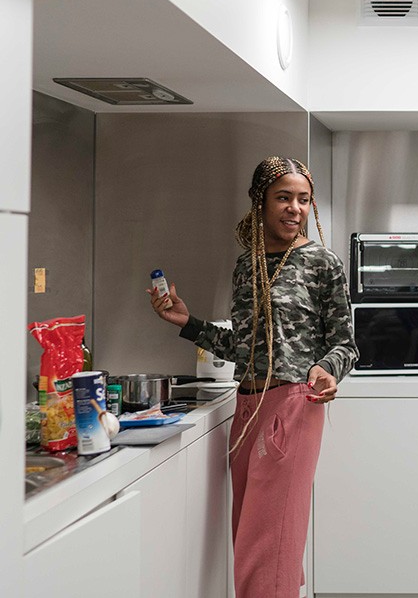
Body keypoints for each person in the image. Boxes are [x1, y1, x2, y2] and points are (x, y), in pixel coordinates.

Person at [148, 156, 358, 598]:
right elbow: (243, 348)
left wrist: (326, 369)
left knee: (269, 544)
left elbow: (346, 343)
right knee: (256, 539)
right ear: (260, 202)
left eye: (303, 199)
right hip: (246, 409)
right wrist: (189, 324)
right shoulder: (248, 265)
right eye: (284, 198)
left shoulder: (322, 263)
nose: (294, 208)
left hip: (294, 404)